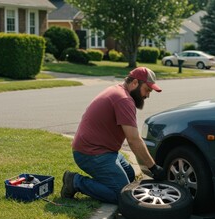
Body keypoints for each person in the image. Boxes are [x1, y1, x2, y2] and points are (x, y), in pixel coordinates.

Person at [61, 66, 166, 204]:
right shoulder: (124, 100)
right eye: (147, 90)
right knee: (121, 194)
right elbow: (134, 140)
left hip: (105, 151)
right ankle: (75, 181)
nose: (147, 95)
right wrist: (153, 167)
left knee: (129, 176)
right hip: (91, 153)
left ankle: (103, 180)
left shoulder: (118, 90)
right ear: (134, 83)